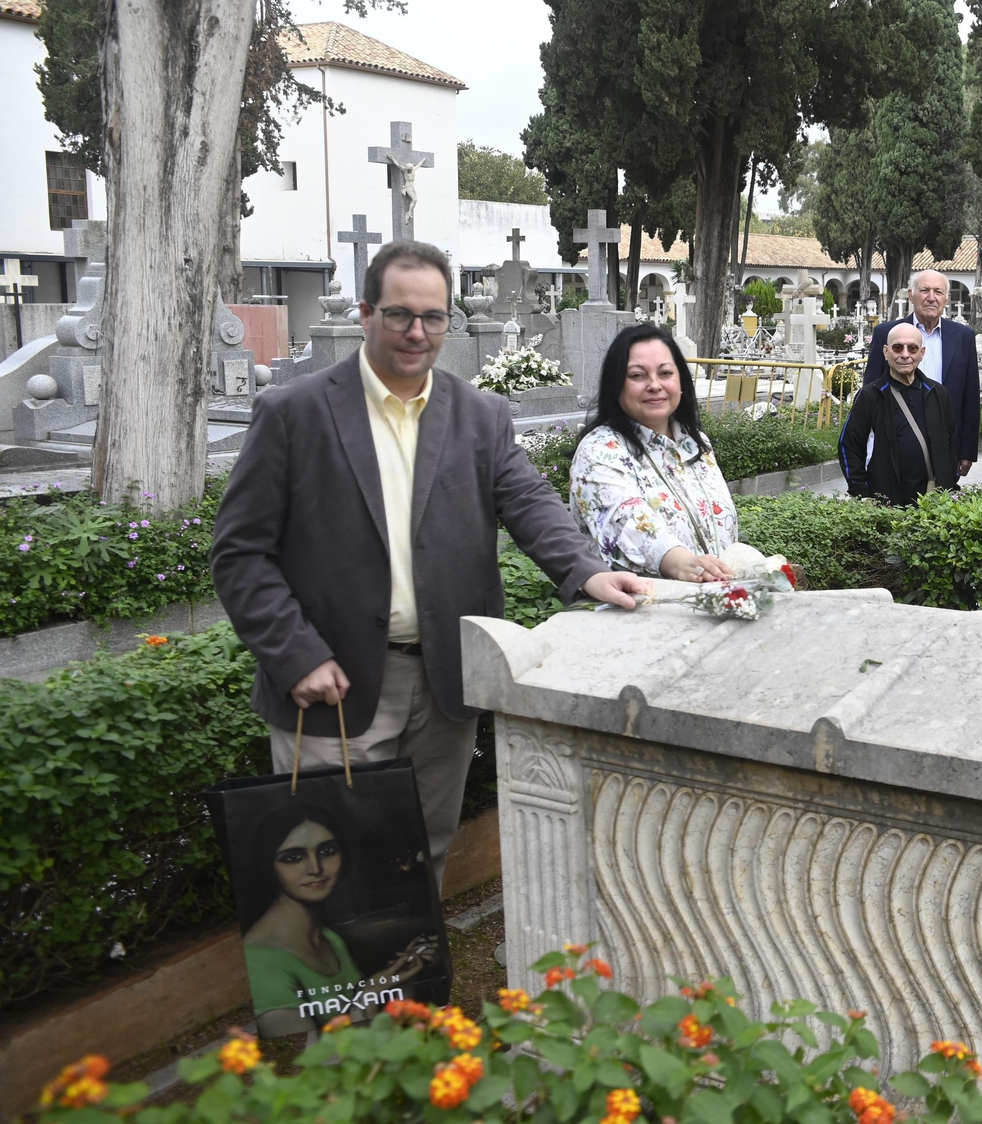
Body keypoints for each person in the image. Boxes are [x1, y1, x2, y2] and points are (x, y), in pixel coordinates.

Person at [210, 240, 652, 888]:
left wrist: (586, 571)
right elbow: (239, 553)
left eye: (433, 317)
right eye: (399, 315)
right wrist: (296, 654)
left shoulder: (480, 414)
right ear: (366, 313)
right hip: (335, 685)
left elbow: (526, 499)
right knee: (330, 873)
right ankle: (338, 993)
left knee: (420, 853)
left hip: (444, 681)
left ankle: (406, 991)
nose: (417, 332)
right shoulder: (293, 413)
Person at [241, 803, 437, 1035]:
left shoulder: (328, 937)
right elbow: (310, 1065)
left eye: (327, 851)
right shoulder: (263, 964)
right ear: (267, 865)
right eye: (293, 857)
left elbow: (379, 1029)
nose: (316, 868)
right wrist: (363, 1005)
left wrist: (402, 979)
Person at [570, 324, 739, 582]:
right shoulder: (599, 451)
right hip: (643, 611)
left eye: (665, 373)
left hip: (716, 605)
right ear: (616, 385)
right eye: (637, 376)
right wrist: (684, 564)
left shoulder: (696, 443)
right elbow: (628, 524)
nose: (654, 385)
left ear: (680, 380)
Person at [858, 269, 980, 475]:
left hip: (944, 442)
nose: (931, 298)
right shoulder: (886, 333)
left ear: (947, 299)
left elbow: (970, 397)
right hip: (894, 442)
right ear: (911, 295)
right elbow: (871, 391)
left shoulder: (963, 337)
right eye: (924, 290)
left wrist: (967, 451)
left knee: (939, 502)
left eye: (938, 292)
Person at [840, 321, 960, 505]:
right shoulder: (870, 395)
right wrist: (861, 492)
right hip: (887, 500)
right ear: (886, 352)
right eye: (898, 348)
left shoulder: (938, 393)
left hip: (933, 500)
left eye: (912, 348)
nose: (905, 355)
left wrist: (950, 483)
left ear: (922, 353)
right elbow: (849, 445)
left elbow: (951, 444)